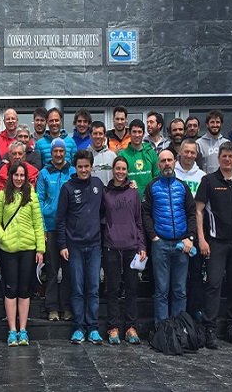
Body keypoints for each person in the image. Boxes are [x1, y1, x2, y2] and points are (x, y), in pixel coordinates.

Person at [195, 142, 232, 348]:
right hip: (216, 242)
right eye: (224, 156)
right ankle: (209, 328)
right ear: (218, 158)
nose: (227, 159)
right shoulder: (208, 180)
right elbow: (198, 211)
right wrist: (202, 238)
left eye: (231, 156)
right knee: (213, 284)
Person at [0, 162, 44, 346]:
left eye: (22, 175)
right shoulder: (2, 195)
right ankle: (12, 330)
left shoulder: (32, 196)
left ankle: (23, 330)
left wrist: (40, 249)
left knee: (24, 290)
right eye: (16, 175)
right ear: (10, 176)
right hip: (9, 249)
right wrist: (3, 237)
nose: (19, 178)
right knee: (10, 289)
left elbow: (38, 223)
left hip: (28, 249)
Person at [142, 149, 197, 324]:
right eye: (163, 161)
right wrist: (153, 237)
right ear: (158, 165)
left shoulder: (182, 186)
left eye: (169, 160)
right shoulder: (152, 186)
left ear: (175, 162)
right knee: (161, 290)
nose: (166, 163)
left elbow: (191, 213)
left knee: (180, 290)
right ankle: (163, 331)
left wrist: (190, 237)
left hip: (182, 244)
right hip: (161, 244)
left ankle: (179, 329)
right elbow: (146, 214)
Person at [57, 150, 104, 344]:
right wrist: (62, 245)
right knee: (77, 288)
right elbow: (60, 219)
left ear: (92, 166)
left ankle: (92, 328)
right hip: (74, 246)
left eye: (86, 166)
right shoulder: (67, 188)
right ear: (75, 168)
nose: (83, 170)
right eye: (80, 166)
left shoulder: (98, 185)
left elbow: (104, 210)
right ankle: (78, 327)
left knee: (93, 287)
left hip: (94, 245)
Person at [102, 156, 145, 345]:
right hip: (111, 245)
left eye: (123, 169)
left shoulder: (134, 192)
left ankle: (131, 327)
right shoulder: (105, 192)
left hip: (131, 246)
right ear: (113, 170)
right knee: (112, 289)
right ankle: (113, 327)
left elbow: (139, 221)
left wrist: (141, 245)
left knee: (131, 289)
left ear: (127, 171)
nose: (120, 172)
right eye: (117, 168)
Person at [36, 138, 75, 322]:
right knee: (52, 270)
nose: (59, 154)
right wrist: (42, 228)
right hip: (50, 228)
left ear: (65, 152)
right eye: (55, 151)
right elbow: (39, 201)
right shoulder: (44, 173)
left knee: (68, 270)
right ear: (51, 153)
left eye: (61, 151)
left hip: (69, 228)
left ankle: (66, 307)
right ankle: (51, 307)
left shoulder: (73, 171)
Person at [173, 139, 206, 323]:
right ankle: (177, 312)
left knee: (195, 273)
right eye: (186, 151)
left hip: (193, 229)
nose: (189, 155)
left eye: (193, 152)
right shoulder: (171, 172)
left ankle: (195, 310)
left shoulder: (202, 176)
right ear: (180, 152)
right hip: (174, 229)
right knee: (177, 277)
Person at [118, 119, 160, 196]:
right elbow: (119, 178)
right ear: (129, 133)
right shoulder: (122, 155)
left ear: (143, 134)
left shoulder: (151, 153)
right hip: (129, 199)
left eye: (139, 132)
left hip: (148, 200)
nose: (137, 135)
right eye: (134, 132)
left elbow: (156, 177)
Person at [196, 110, 232, 175]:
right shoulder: (198, 143)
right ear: (207, 124)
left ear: (221, 124)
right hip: (205, 181)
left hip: (225, 181)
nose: (215, 125)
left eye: (217, 122)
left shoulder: (227, 143)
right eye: (212, 122)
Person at [89, 121, 116, 185]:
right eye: (95, 133)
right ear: (90, 136)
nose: (98, 136)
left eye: (100, 134)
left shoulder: (112, 156)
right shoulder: (86, 156)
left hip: (109, 193)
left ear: (104, 136)